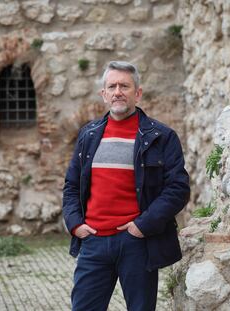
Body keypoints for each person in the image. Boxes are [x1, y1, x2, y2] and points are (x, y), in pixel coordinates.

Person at [62, 61, 190, 311]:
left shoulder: (162, 137)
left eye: (124, 86)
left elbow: (178, 188)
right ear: (104, 94)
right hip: (93, 242)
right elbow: (71, 185)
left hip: (137, 243)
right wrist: (76, 224)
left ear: (137, 93)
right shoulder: (88, 135)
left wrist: (143, 226)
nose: (118, 91)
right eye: (112, 86)